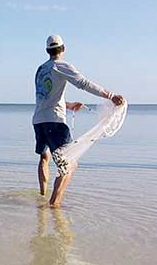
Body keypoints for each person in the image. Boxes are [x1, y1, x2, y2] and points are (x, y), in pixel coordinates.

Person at [33, 34, 124, 207]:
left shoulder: (40, 69)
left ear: (47, 50)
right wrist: (110, 96)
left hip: (38, 121)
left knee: (44, 158)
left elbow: (44, 97)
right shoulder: (61, 65)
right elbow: (83, 83)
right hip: (55, 123)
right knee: (70, 166)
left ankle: (42, 197)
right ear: (63, 49)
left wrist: (67, 105)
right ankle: (53, 206)